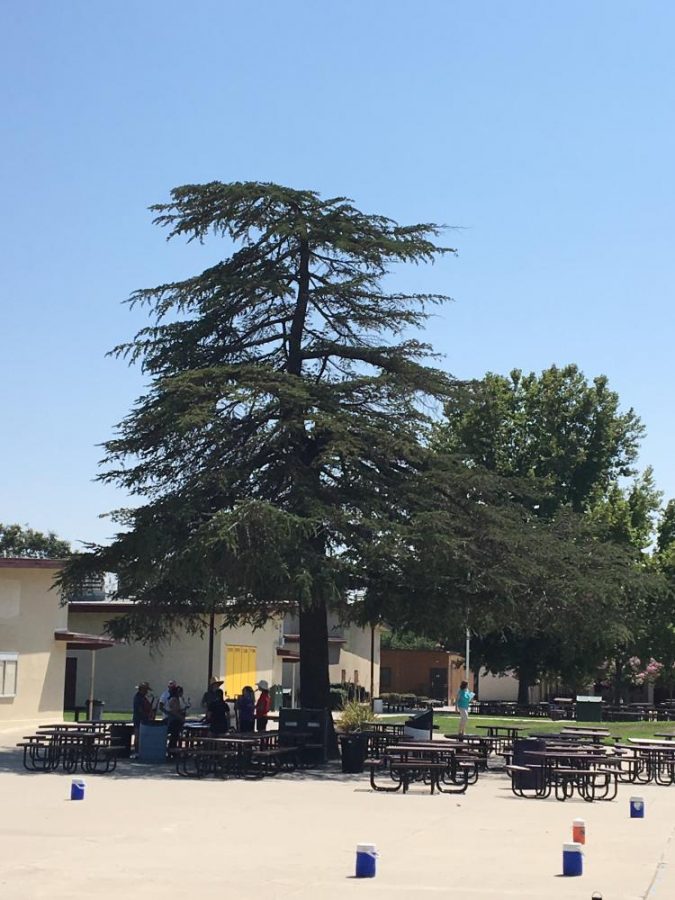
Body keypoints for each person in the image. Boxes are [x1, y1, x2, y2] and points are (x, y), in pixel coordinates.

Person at [132, 681, 154, 755]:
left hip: (144, 719)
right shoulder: (137, 697)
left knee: (143, 736)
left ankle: (142, 751)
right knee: (138, 736)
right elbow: (139, 709)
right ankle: (136, 751)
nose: (146, 691)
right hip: (139, 719)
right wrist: (146, 715)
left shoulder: (143, 697)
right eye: (145, 690)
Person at [166, 684, 186, 749]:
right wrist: (181, 717)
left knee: (175, 737)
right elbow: (173, 711)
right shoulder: (174, 699)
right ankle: (172, 750)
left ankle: (173, 749)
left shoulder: (177, 699)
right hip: (174, 721)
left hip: (176, 721)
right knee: (174, 737)